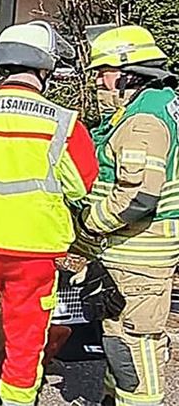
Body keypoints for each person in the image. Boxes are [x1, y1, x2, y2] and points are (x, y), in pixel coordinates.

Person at [0, 21, 99, 406]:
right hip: (35, 248)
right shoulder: (64, 123)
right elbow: (80, 186)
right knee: (27, 331)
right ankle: (17, 400)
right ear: (43, 71)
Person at [74, 25, 178, 406]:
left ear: (128, 73)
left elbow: (138, 196)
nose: (99, 82)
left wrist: (90, 224)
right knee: (119, 334)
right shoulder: (158, 106)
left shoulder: (142, 122)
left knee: (131, 343)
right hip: (136, 250)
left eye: (103, 73)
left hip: (139, 252)